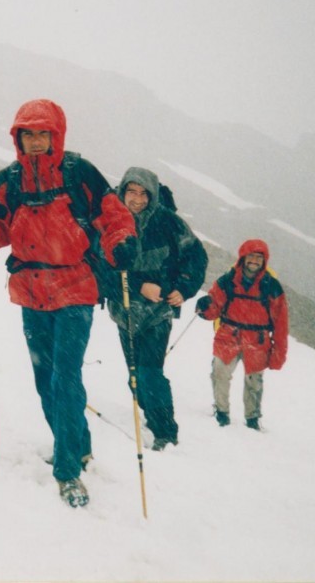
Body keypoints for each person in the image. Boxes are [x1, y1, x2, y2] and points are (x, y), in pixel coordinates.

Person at [0, 98, 137, 508]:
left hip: (76, 287)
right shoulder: (10, 180)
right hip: (31, 290)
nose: (35, 141)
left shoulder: (79, 173)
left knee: (65, 377)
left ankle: (68, 471)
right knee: (45, 380)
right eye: (27, 134)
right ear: (17, 138)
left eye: (43, 133)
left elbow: (112, 215)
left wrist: (121, 243)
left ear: (56, 135)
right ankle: (77, 444)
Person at [106, 168, 207, 450]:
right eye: (131, 192)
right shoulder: (107, 220)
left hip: (157, 313)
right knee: (136, 376)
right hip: (124, 313)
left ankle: (165, 432)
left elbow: (195, 257)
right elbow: (100, 270)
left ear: (152, 195)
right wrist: (140, 287)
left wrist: (183, 288)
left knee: (150, 373)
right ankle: (151, 413)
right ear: (122, 190)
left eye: (143, 194)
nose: (137, 200)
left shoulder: (169, 223)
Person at [195, 239, 288, 430]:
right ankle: (222, 413)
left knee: (254, 381)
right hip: (229, 335)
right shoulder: (227, 281)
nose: (254, 261)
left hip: (257, 340)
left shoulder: (272, 286)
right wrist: (205, 306)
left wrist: (279, 353)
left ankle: (252, 419)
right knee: (220, 373)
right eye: (251, 256)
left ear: (264, 261)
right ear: (243, 258)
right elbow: (215, 309)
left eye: (259, 258)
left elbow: (281, 323)